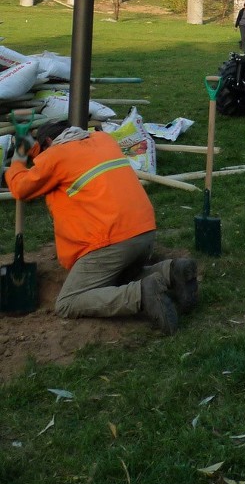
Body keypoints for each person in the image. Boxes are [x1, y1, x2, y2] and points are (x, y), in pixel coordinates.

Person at [4, 120, 197, 334]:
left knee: (68, 301)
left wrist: (19, 160)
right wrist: (32, 146)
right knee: (114, 279)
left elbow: (21, 188)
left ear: (49, 142)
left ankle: (141, 295)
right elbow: (51, 158)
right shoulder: (103, 140)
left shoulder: (55, 157)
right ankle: (171, 271)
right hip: (144, 232)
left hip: (112, 241)